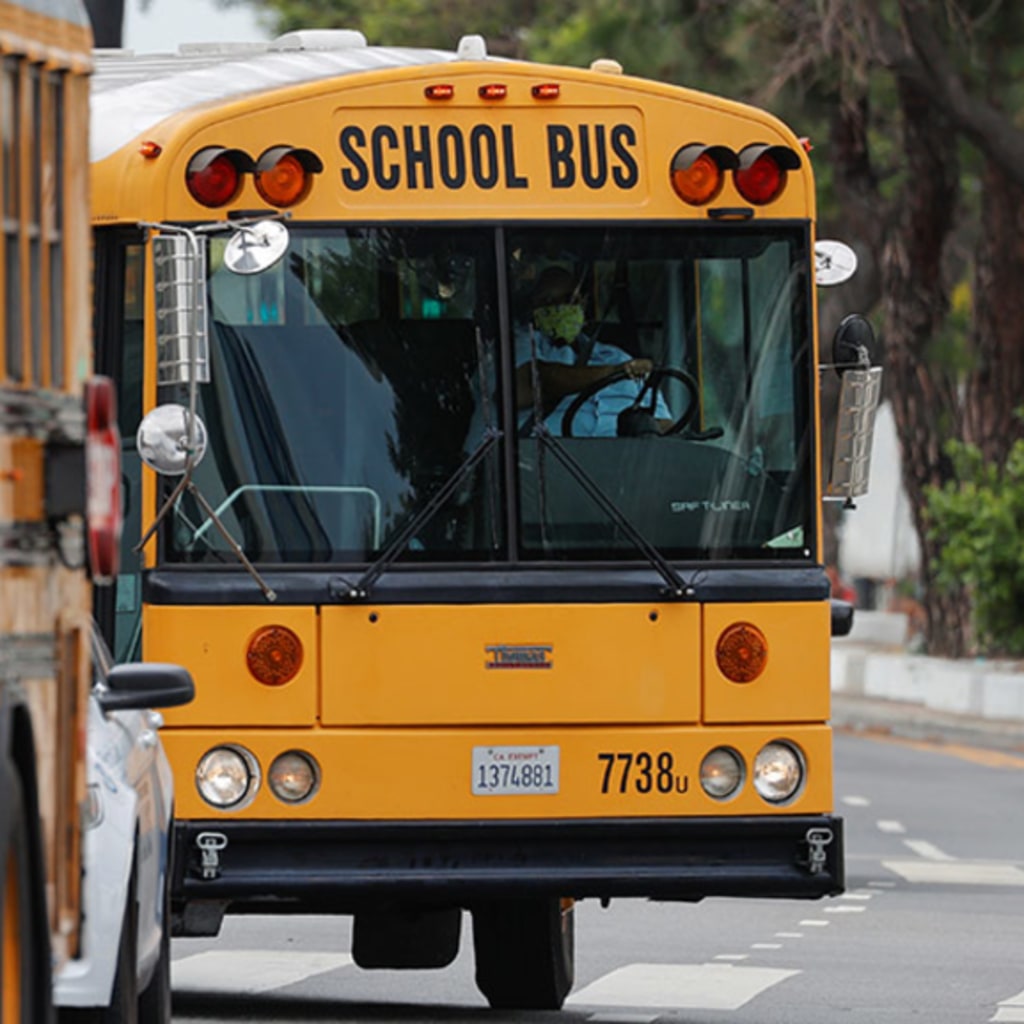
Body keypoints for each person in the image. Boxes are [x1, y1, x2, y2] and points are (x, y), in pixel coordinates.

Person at [516, 265, 671, 437]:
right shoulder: (517, 346)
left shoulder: (616, 356)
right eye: (548, 302)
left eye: (568, 299)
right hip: (551, 460)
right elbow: (534, 383)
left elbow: (663, 424)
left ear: (582, 303)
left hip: (631, 459)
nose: (559, 308)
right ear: (532, 307)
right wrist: (613, 372)